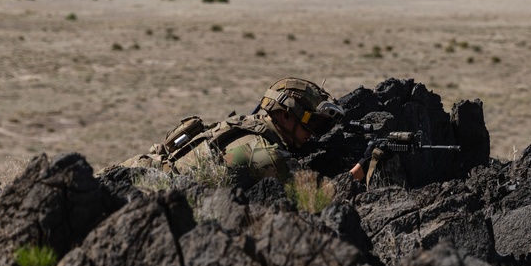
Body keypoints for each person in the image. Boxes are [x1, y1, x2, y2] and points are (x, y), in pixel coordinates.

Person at [121, 77, 360, 183]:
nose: (314, 133)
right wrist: (362, 169)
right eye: (313, 123)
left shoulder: (248, 125)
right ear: (286, 116)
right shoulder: (262, 152)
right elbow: (318, 198)